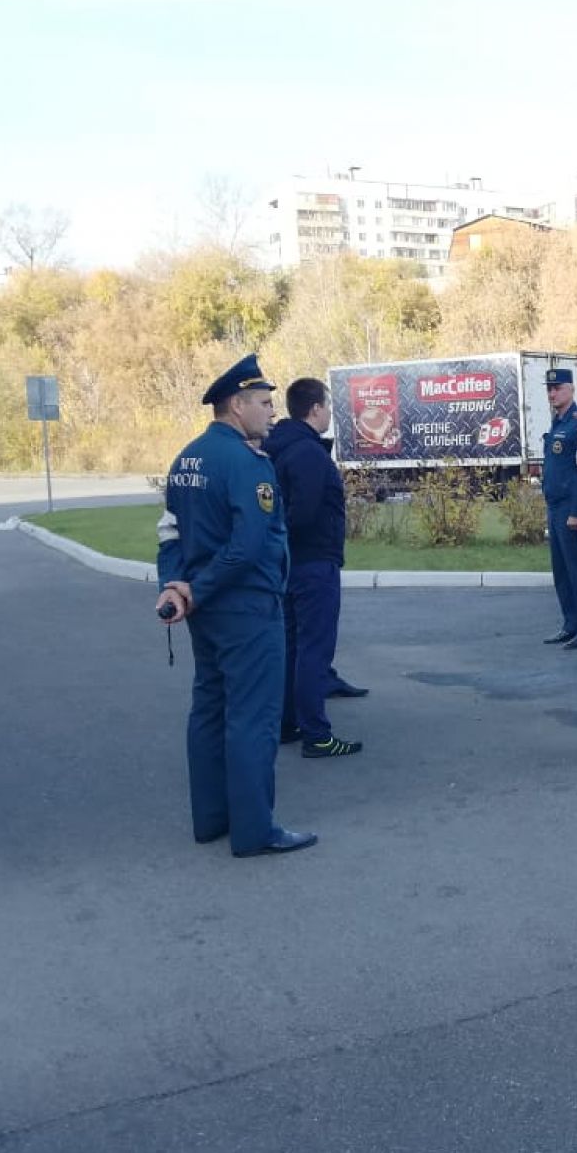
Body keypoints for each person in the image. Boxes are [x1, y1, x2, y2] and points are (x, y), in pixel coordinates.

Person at [155, 354, 316, 858]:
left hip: (205, 615)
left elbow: (170, 534)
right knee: (253, 719)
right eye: (265, 404)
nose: (272, 413)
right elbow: (248, 546)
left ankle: (212, 820)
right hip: (246, 608)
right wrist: (197, 589)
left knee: (209, 710)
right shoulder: (245, 464)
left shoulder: (187, 459)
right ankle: (254, 830)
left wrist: (175, 586)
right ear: (235, 405)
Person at [268, 377, 360, 759]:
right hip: (312, 562)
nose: (329, 415)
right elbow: (303, 512)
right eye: (326, 407)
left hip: (293, 564)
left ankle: (288, 722)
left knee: (293, 646)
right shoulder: (306, 453)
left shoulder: (282, 447)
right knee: (314, 648)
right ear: (315, 409)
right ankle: (316, 733)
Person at [540, 368, 577, 650]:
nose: (552, 393)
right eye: (549, 388)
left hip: (569, 508)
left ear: (571, 390)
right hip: (555, 507)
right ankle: (571, 624)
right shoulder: (558, 422)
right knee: (561, 571)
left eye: (558, 388)